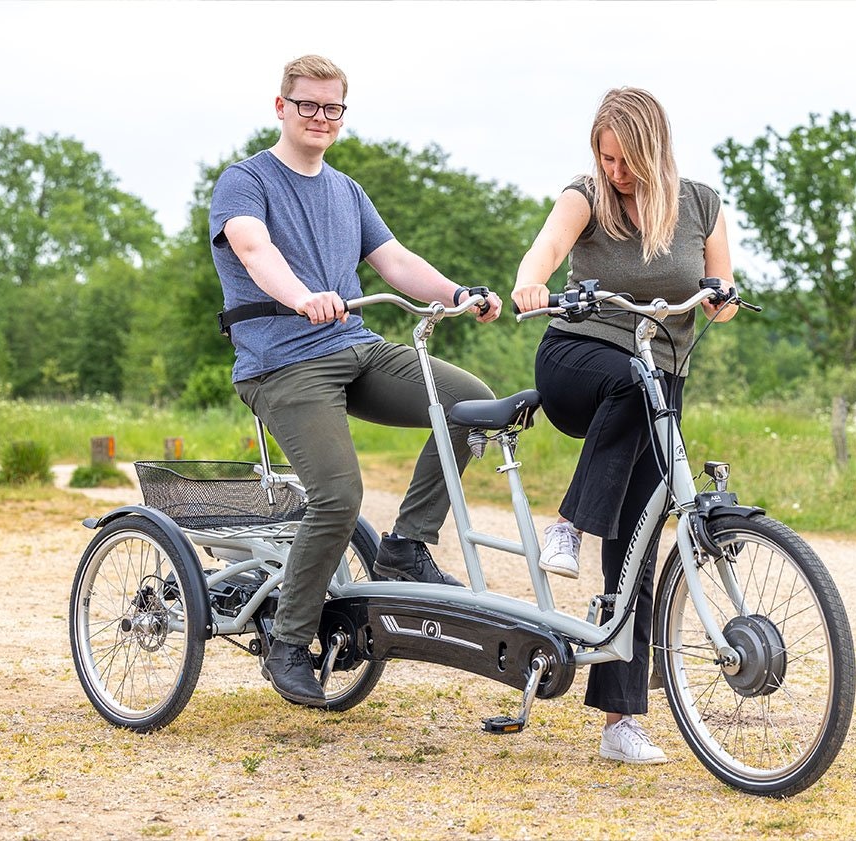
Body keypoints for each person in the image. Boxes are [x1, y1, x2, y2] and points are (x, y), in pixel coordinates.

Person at [209, 54, 502, 708]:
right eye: (307, 105)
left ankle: (405, 546)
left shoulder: (346, 190)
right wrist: (302, 294)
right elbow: (254, 250)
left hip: (354, 345)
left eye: (331, 107)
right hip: (283, 360)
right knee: (339, 494)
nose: (319, 117)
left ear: (343, 114)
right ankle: (288, 640)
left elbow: (393, 260)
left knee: (472, 403)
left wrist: (458, 292)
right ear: (280, 107)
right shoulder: (244, 180)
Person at [510, 87, 738, 764]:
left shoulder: (699, 202)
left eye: (625, 158)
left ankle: (619, 722)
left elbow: (719, 290)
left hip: (657, 383)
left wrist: (720, 298)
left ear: (654, 148)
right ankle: (568, 524)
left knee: (636, 546)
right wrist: (530, 281)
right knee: (627, 379)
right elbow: (546, 248)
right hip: (580, 362)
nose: (614, 170)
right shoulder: (586, 194)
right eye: (605, 157)